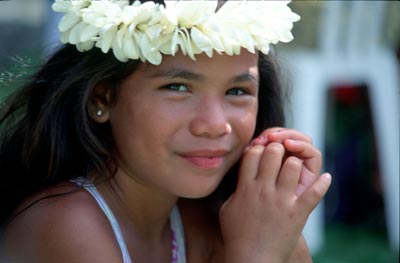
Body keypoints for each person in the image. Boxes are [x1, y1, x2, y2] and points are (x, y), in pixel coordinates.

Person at [0, 1, 332, 262]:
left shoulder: (205, 219)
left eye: (236, 92)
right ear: (102, 98)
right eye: (178, 86)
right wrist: (257, 254)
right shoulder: (65, 227)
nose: (216, 124)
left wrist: (278, 226)